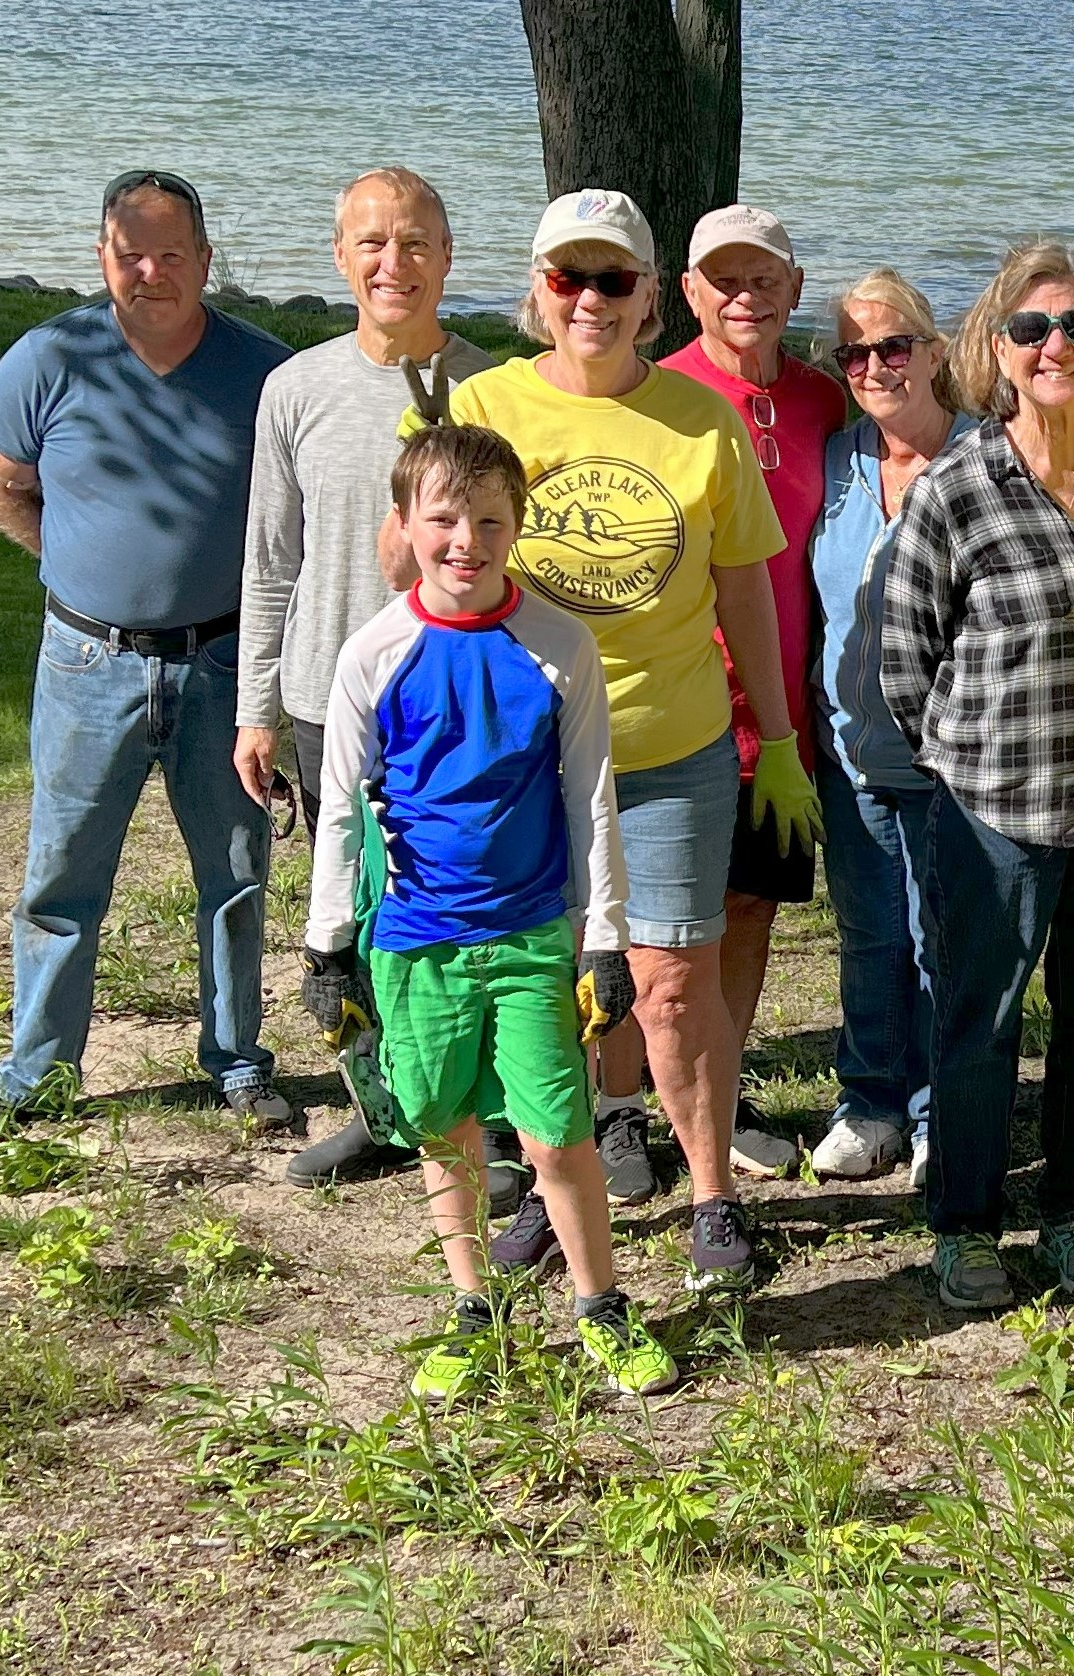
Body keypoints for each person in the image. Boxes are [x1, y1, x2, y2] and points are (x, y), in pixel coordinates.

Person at [412, 189, 805, 1297]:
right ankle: (553, 1187)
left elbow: (743, 589)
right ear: (537, 290)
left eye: (613, 279)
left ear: (648, 299)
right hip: (521, 757)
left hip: (671, 746)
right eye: (566, 277)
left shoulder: (700, 420)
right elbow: (421, 561)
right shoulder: (477, 405)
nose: (588, 298)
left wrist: (772, 737)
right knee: (541, 985)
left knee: (672, 986)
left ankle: (712, 1194)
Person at [300, 421, 678, 1400]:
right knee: (440, 1122)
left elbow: (590, 796)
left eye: (488, 520)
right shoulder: (374, 653)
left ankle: (601, 1304)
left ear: (516, 528)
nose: (464, 539)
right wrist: (326, 950)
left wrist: (605, 940)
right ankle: (476, 1308)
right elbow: (340, 810)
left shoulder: (558, 645)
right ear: (405, 525)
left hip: (529, 934)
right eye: (442, 519)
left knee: (557, 1133)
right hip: (414, 940)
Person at [0, 168, 296, 1145]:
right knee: (61, 876)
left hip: (224, 662)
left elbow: (293, 526)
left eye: (170, 252)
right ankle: (36, 1071)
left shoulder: (263, 372)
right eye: (129, 251)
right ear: (103, 254)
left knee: (235, 877)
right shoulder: (48, 358)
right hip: (84, 665)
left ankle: (237, 1062)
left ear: (204, 258)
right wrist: (80, 575)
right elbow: (0, 485)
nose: (150, 271)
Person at [880, 241, 1074, 1310]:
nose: (1059, 347)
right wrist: (959, 762)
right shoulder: (956, 486)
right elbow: (904, 656)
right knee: (978, 1020)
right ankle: (963, 1222)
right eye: (1034, 329)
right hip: (993, 810)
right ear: (996, 349)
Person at [239, 167, 501, 1192]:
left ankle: (474, 1120)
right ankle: (380, 1110)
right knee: (349, 907)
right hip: (323, 693)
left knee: (459, 906)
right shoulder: (295, 388)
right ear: (341, 258)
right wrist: (256, 705)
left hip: (452, 692)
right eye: (372, 243)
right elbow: (269, 560)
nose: (394, 263)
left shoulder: (487, 384)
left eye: (415, 241)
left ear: (447, 256)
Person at [658, 204, 847, 1181]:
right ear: (689, 292)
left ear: (793, 290)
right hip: (680, 701)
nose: (743, 295)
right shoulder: (658, 396)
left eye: (761, 277)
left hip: (781, 714)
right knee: (659, 928)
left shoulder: (822, 400)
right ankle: (622, 1112)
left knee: (748, 914)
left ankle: (718, 1112)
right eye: (721, 279)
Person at [806, 272, 975, 1184]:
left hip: (957, 760)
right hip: (852, 747)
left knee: (941, 937)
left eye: (894, 346)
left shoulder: (985, 457)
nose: (875, 366)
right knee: (870, 933)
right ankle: (870, 1100)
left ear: (935, 349)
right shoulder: (836, 464)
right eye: (855, 353)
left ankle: (939, 1113)